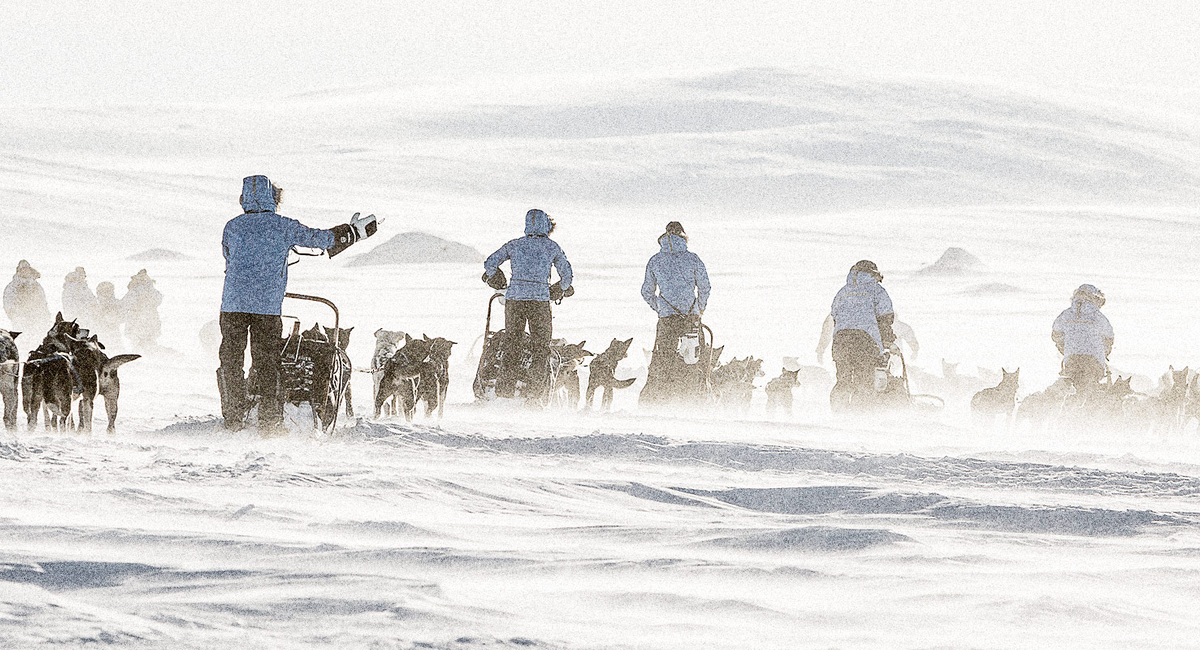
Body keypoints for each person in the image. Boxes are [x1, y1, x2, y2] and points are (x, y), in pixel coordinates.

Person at [219, 175, 376, 432]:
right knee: (267, 361)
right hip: (266, 308)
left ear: (243, 198)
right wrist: (352, 233)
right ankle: (270, 421)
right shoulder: (283, 226)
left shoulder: (232, 226)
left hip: (232, 305)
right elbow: (320, 239)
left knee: (231, 359)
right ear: (274, 199)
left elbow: (228, 256)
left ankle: (233, 416)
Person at [482, 208, 573, 406]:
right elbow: (567, 276)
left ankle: (504, 393)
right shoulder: (552, 247)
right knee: (540, 348)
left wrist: (497, 278)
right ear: (546, 226)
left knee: (512, 345)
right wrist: (558, 289)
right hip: (540, 301)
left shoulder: (514, 245)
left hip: (514, 300)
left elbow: (490, 263)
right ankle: (533, 395)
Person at [638, 221, 711, 406]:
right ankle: (695, 398)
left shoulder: (655, 260)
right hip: (691, 319)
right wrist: (700, 309)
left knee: (663, 359)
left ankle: (660, 399)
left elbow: (646, 292)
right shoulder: (693, 259)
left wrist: (660, 308)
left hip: (667, 320)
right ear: (683, 236)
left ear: (665, 236)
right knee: (695, 358)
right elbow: (705, 287)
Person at [828, 260, 897, 412]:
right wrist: (889, 342)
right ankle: (860, 418)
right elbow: (884, 319)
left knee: (843, 380)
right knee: (864, 380)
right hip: (865, 341)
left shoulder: (842, 292)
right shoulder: (876, 291)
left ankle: (838, 414)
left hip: (841, 341)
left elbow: (835, 317)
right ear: (873, 274)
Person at [1052, 284, 1113, 404]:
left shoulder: (1066, 315)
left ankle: (1070, 410)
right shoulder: (1098, 316)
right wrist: (1105, 352)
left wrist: (1064, 348)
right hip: (1094, 360)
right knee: (1091, 388)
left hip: (1072, 359)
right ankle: (1090, 412)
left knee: (1073, 387)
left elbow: (1056, 333)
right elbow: (1109, 337)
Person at [817, 313, 918, 364]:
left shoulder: (841, 308)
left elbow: (828, 328)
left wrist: (821, 351)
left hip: (849, 355)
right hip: (878, 357)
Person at [3, 260, 52, 339]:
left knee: (37, 338)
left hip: (37, 318)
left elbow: (43, 301)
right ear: (18, 271)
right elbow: (8, 302)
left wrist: (45, 315)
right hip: (20, 318)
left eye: (26, 269)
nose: (25, 271)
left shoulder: (36, 285)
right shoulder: (12, 286)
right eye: (22, 269)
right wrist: (14, 315)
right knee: (22, 338)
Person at [122, 269, 163, 350]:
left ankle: (141, 359)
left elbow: (126, 303)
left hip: (136, 320)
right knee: (151, 342)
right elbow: (158, 300)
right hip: (152, 319)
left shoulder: (135, 290)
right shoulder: (153, 290)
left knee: (137, 344)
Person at [93, 281, 125, 350]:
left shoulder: (98, 304)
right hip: (107, 333)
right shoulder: (98, 304)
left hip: (110, 333)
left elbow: (122, 317)